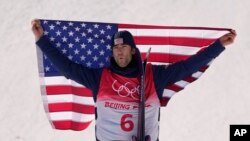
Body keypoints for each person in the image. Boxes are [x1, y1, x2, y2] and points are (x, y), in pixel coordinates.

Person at [31, 19, 236, 141]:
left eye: (123, 47)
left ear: (133, 50)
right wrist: (41, 40)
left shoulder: (153, 76)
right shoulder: (100, 77)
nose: (119, 52)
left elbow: (187, 67)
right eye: (116, 48)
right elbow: (68, 68)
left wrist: (218, 46)